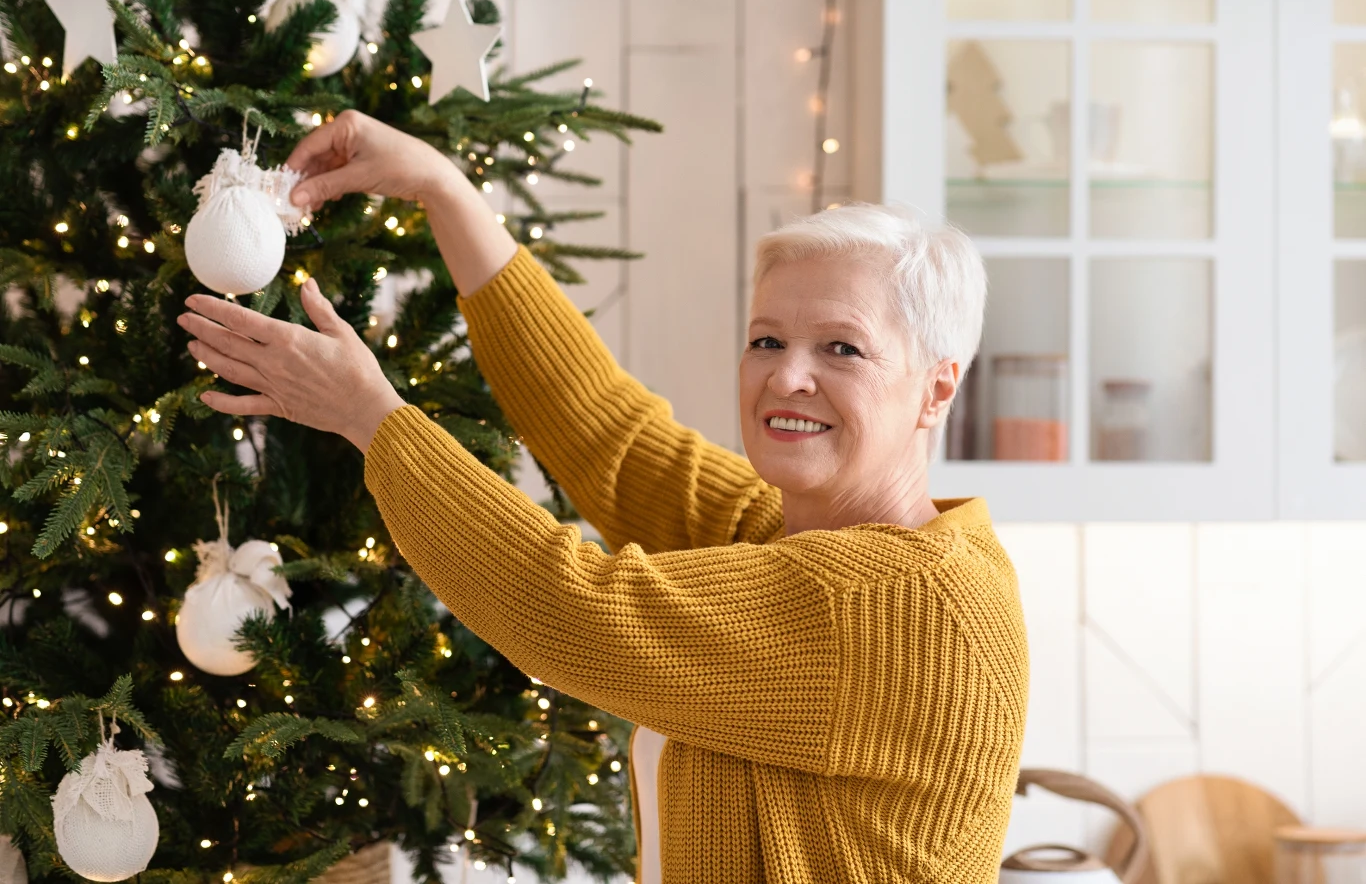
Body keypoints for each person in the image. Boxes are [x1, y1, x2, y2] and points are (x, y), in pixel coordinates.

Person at [177, 109, 1028, 884]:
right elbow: (611, 440)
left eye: (843, 349)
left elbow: (572, 609)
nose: (788, 376)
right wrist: (443, 190)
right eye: (766, 339)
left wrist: (373, 418)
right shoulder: (786, 534)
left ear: (936, 390)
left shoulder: (896, 603)